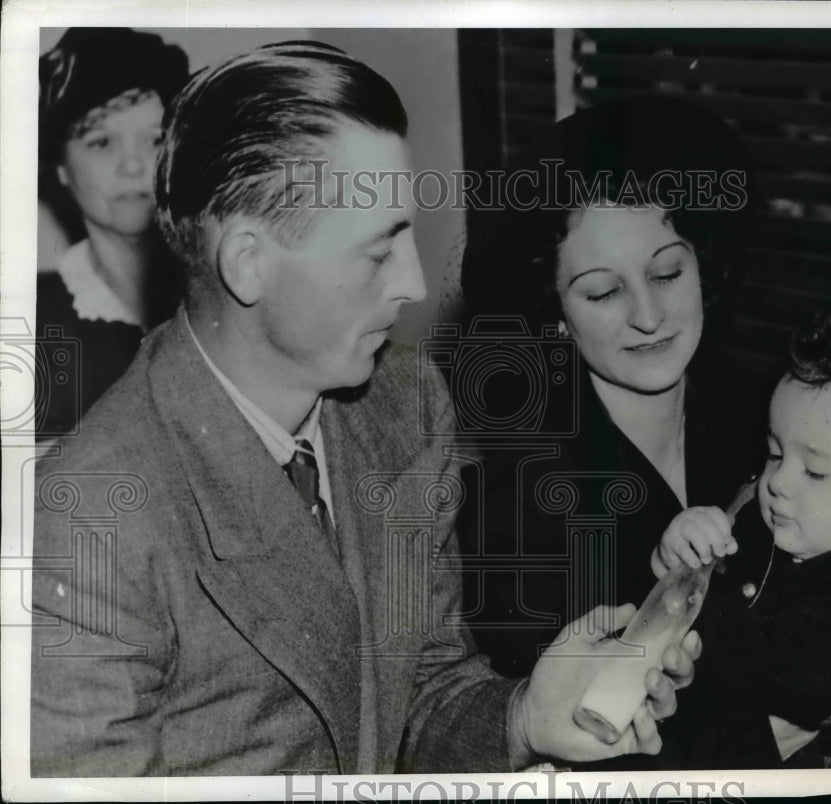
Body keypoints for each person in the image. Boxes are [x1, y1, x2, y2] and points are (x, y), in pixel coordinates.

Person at [30, 41, 699, 777]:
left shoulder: (405, 404)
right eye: (377, 252)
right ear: (248, 263)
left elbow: (423, 700)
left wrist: (525, 716)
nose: (413, 281)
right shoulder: (87, 520)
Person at [456, 96, 831, 769]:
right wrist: (800, 722)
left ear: (704, 262)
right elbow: (597, 749)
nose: (649, 315)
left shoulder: (774, 414)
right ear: (554, 312)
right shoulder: (519, 506)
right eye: (602, 292)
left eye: (668, 272)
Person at [654, 308, 831, 765]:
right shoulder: (782, 521)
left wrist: (697, 609)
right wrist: (679, 557)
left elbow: (782, 679)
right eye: (774, 453)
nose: (778, 481)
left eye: (815, 471)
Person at [36, 28, 188, 434]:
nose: (134, 166)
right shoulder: (30, 325)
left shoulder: (233, 292)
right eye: (101, 142)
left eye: (155, 139)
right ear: (61, 169)